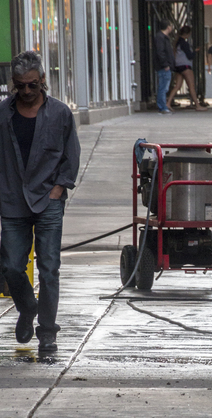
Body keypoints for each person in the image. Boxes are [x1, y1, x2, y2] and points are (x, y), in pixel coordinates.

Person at [0, 51, 80, 352]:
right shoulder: (3, 115)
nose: (27, 92)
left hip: (48, 200)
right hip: (12, 202)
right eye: (20, 86)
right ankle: (27, 307)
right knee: (9, 266)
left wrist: (58, 190)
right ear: (13, 84)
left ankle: (47, 331)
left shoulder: (59, 114)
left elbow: (71, 156)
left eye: (32, 85)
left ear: (43, 80)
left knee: (49, 268)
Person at [165, 26, 207, 112]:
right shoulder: (184, 43)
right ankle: (197, 105)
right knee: (191, 86)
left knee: (177, 86)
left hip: (178, 66)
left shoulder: (176, 42)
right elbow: (190, 56)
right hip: (186, 66)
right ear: (187, 34)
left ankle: (168, 103)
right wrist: (195, 51)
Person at [154, 19, 175, 115]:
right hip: (164, 67)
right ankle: (162, 107)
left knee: (164, 86)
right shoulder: (161, 37)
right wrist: (165, 64)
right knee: (163, 87)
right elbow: (160, 52)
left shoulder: (163, 37)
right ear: (168, 27)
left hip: (165, 66)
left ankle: (162, 106)